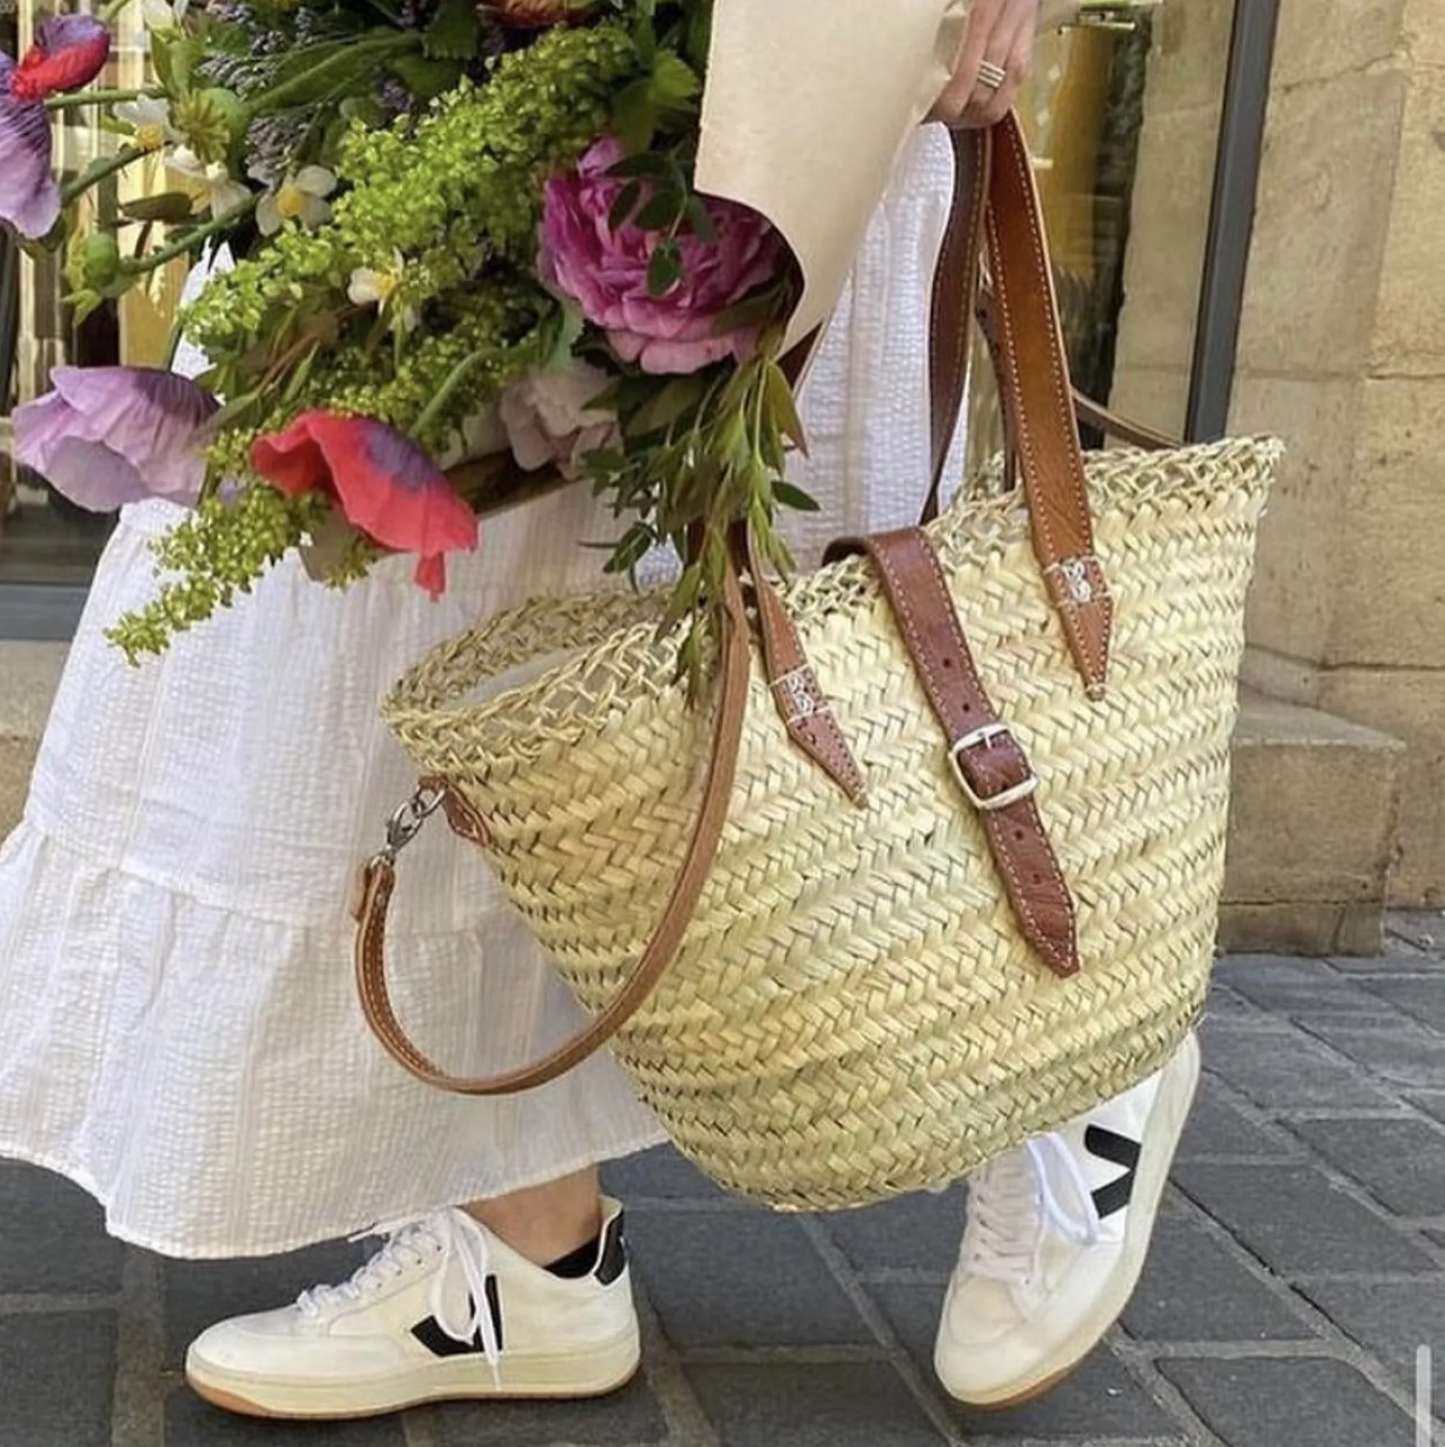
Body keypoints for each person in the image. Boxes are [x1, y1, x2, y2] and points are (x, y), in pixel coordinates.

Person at [0, 0, 1197, 1421]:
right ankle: (528, 1250)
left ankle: (1065, 1058)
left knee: (801, 643)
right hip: (420, 80)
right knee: (403, 654)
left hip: (786, 57)